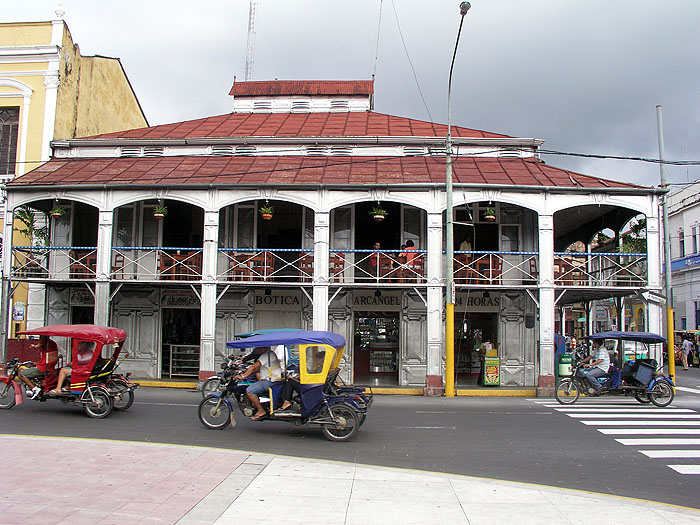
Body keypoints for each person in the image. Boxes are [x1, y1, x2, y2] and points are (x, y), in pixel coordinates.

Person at [234, 346, 282, 420]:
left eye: (260, 349)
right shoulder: (270, 354)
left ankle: (261, 410)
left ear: (266, 348)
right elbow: (258, 369)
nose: (259, 351)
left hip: (270, 381)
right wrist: (246, 372)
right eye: (258, 349)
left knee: (250, 391)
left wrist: (243, 376)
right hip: (273, 379)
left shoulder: (266, 355)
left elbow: (254, 367)